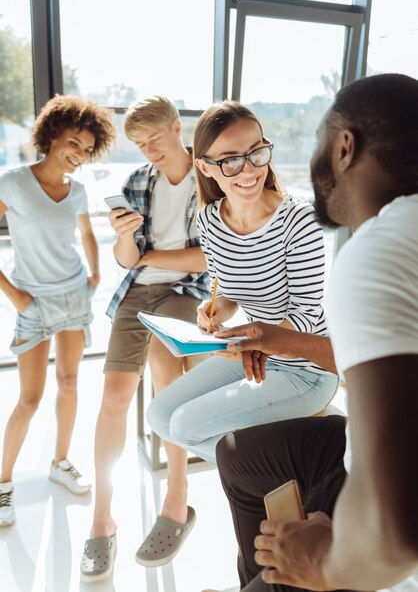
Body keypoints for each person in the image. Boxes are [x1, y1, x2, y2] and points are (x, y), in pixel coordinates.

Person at [213, 72, 418, 592]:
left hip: (387, 510)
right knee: (236, 453)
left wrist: (324, 565)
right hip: (370, 447)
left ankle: (281, 580)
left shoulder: (377, 252)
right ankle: (259, 576)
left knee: (292, 571)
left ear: (345, 147)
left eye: (319, 140)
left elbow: (397, 534)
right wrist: (282, 341)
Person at [146, 101, 339, 565]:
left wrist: (252, 339)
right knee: (160, 415)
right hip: (251, 352)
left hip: (303, 369)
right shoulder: (211, 220)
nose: (247, 169)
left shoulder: (300, 222)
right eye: (230, 159)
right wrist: (212, 312)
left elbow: (307, 318)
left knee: (189, 426)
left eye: (256, 152)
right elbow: (229, 292)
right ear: (205, 166)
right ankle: (277, 473)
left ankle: (284, 482)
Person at [80, 96, 209, 582]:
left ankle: (177, 501)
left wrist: (148, 257)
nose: (149, 150)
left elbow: (208, 261)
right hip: (138, 292)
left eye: (155, 138)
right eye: (139, 144)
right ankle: (102, 519)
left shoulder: (209, 178)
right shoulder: (137, 182)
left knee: (162, 362)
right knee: (113, 396)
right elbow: (126, 260)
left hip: (185, 292)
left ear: (178, 127)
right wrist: (124, 238)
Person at [0, 94, 116, 527]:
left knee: (69, 382)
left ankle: (60, 462)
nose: (80, 156)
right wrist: (13, 295)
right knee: (29, 398)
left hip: (72, 297)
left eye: (88, 150)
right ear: (52, 135)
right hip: (32, 301)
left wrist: (95, 273)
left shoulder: (79, 191)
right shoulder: (12, 182)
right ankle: (2, 485)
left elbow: (87, 233)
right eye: (75, 144)